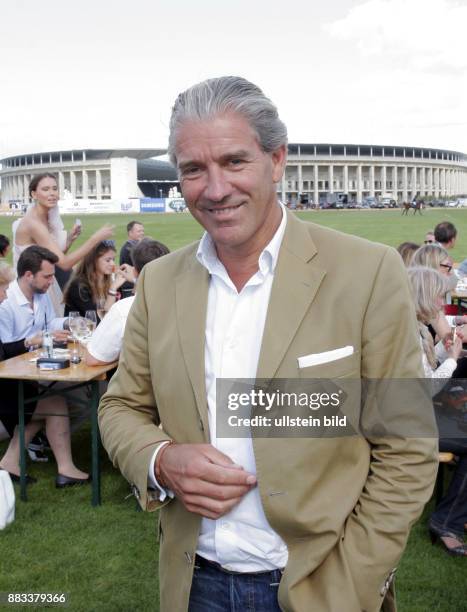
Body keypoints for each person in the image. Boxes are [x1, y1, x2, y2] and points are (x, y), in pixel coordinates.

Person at [99, 76, 437, 612]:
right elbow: (120, 406)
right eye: (193, 169)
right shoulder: (160, 282)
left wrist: (356, 578)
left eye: (234, 161)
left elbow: (407, 446)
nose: (214, 189)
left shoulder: (367, 271)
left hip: (322, 586)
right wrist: (161, 459)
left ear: (276, 160)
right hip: (195, 584)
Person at [0, 256, 89, 487]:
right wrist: (32, 341)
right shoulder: (6, 305)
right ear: (29, 275)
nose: (52, 281)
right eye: (47, 276)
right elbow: (5, 354)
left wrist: (65, 326)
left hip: (24, 378)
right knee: (56, 401)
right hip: (9, 383)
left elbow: (49, 326)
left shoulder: (40, 296)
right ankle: (64, 468)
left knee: (57, 398)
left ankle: (12, 462)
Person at [407, 266, 467, 556]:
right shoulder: (407, 333)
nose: (441, 304)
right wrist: (453, 359)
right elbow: (426, 387)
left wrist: (447, 351)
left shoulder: (414, 326)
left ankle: (450, 518)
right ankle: (447, 522)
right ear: (423, 297)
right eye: (438, 297)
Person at [13, 173, 114, 315]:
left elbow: (53, 258)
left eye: (54, 188)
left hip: (44, 281)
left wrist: (70, 240)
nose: (52, 193)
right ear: (34, 194)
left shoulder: (47, 216)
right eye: (46, 189)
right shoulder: (33, 223)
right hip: (31, 286)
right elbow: (65, 264)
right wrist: (95, 239)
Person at [85, 238, 169, 366]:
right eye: (108, 260)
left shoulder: (124, 310)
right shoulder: (185, 301)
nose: (112, 263)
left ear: (135, 271)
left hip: (140, 382)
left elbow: (94, 358)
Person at [63, 240, 130, 319]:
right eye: (108, 260)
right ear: (93, 261)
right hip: (83, 330)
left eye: (113, 259)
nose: (112, 264)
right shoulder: (79, 287)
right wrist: (112, 290)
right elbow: (100, 323)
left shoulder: (111, 281)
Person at [119, 221, 145, 298]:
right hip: (130, 287)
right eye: (139, 231)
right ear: (130, 233)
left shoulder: (133, 246)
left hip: (133, 284)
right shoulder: (130, 248)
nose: (142, 233)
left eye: (142, 231)